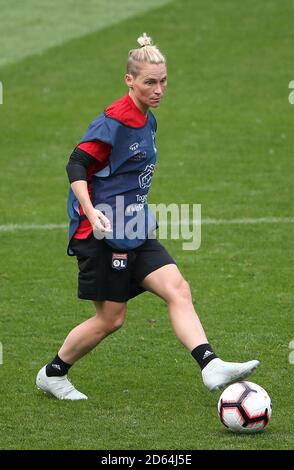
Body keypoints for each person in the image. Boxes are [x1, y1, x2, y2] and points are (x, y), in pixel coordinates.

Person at [36, 33, 259, 400]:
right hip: (101, 231)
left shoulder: (147, 120)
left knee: (178, 289)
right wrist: (90, 211)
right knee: (111, 319)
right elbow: (76, 163)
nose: (158, 90)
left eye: (163, 81)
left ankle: (210, 365)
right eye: (149, 82)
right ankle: (53, 373)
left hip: (135, 226)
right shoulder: (114, 121)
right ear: (130, 80)